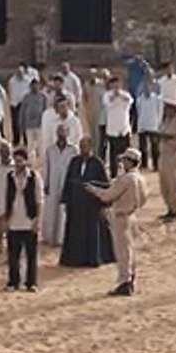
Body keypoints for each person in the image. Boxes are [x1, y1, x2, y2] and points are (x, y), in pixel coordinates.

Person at [87, 148, 148, 296]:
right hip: (132, 216)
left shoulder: (126, 179)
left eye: (124, 160)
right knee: (130, 250)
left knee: (122, 252)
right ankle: (130, 279)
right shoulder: (140, 178)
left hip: (122, 217)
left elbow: (108, 196)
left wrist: (94, 190)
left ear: (130, 162)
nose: (122, 163)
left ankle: (124, 282)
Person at [59, 136, 115, 268]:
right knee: (75, 233)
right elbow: (68, 181)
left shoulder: (97, 163)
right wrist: (66, 200)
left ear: (91, 147)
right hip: (76, 205)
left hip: (91, 205)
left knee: (92, 233)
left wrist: (103, 204)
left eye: (85, 146)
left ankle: (92, 259)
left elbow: (105, 184)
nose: (82, 149)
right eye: (81, 146)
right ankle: (75, 259)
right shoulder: (74, 161)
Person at [3, 147, 43, 292]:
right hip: (14, 220)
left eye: (20, 161)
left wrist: (37, 220)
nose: (18, 164)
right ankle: (13, 281)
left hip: (29, 220)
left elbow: (39, 200)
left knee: (31, 254)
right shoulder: (10, 177)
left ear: (26, 161)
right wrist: (6, 219)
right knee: (13, 254)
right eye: (16, 161)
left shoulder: (34, 177)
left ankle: (31, 282)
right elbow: (6, 198)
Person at [43, 124, 77, 245]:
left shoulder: (73, 150)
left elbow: (74, 169)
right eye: (59, 132)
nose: (61, 134)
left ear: (68, 133)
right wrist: (46, 183)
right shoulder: (50, 150)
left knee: (63, 211)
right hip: (52, 183)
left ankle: (61, 238)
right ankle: (49, 237)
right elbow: (47, 167)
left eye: (64, 132)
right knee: (51, 210)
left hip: (66, 183)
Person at [135, 83, 162, 171]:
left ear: (151, 88)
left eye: (149, 88)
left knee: (155, 146)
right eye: (145, 88)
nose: (147, 90)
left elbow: (159, 111)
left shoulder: (156, 99)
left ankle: (156, 165)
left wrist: (158, 123)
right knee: (142, 147)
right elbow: (139, 111)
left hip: (153, 125)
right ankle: (144, 164)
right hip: (142, 125)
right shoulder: (140, 99)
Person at [18, 78, 47, 154]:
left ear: (39, 86)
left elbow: (46, 110)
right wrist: (21, 122)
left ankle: (41, 159)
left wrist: (45, 123)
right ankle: (30, 159)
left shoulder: (43, 97)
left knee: (41, 144)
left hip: (40, 124)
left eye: (36, 85)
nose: (35, 87)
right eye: (33, 85)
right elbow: (22, 110)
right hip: (29, 125)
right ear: (30, 86)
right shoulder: (26, 97)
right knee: (30, 145)